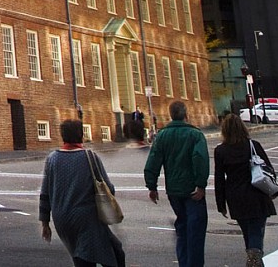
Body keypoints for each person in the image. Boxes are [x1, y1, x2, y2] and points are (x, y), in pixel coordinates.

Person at [39, 119, 125, 267]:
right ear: (81, 135)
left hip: (62, 219)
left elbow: (45, 193)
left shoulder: (52, 159)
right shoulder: (89, 157)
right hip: (86, 219)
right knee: (112, 253)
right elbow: (108, 188)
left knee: (82, 255)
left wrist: (45, 222)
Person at [142, 101, 211, 267]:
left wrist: (152, 186)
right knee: (195, 232)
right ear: (186, 114)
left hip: (174, 190)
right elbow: (200, 159)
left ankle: (184, 263)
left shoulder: (162, 135)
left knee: (182, 228)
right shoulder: (195, 135)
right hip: (192, 190)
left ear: (171, 115)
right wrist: (201, 184)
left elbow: (153, 161)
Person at [212, 113, 278, 267]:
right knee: (256, 229)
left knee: (247, 230)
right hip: (257, 192)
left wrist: (220, 203)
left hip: (235, 195)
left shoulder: (221, 151)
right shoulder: (253, 145)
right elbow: (268, 169)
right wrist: (273, 190)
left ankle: (253, 256)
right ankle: (254, 258)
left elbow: (219, 178)